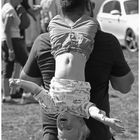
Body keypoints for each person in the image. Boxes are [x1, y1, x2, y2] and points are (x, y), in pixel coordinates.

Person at [13, 0, 134, 139]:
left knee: (53, 24)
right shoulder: (82, 107)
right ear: (82, 124)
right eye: (68, 129)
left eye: (62, 132)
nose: (62, 126)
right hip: (97, 134)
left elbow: (30, 83)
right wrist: (108, 120)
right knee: (90, 25)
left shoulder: (42, 42)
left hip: (59, 42)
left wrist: (18, 83)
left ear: (59, 6)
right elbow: (124, 87)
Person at [1, 0, 29, 103]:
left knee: (7, 68)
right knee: (28, 66)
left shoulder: (5, 7)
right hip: (13, 40)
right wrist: (11, 49)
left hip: (6, 40)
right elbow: (7, 30)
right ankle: (27, 94)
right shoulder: (10, 9)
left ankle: (6, 96)